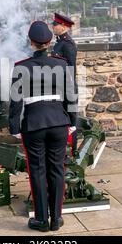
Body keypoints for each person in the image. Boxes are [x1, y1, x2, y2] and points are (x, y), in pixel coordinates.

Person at [9, 21, 78, 232]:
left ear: (31, 42)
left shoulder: (21, 66)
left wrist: (14, 127)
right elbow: (71, 95)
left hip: (34, 123)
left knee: (38, 171)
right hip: (59, 121)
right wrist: (73, 123)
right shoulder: (61, 64)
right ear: (49, 43)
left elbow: (15, 101)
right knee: (57, 170)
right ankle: (56, 218)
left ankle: (41, 219)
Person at [51, 13, 79, 156]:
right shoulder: (59, 42)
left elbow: (70, 69)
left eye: (56, 25)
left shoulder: (67, 44)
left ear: (64, 27)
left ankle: (72, 151)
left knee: (71, 120)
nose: (53, 27)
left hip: (67, 86)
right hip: (60, 86)